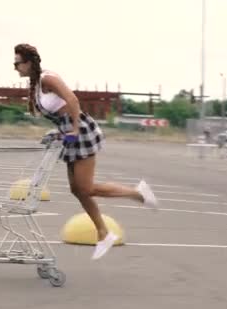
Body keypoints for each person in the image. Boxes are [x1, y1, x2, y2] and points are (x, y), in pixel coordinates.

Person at [13, 43, 159, 260]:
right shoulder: (36, 85)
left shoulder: (47, 78)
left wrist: (73, 128)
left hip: (79, 131)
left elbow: (72, 100)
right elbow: (58, 110)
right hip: (68, 134)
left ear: (28, 62)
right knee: (78, 190)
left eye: (17, 63)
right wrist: (57, 131)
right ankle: (103, 232)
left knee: (87, 187)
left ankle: (139, 194)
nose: (15, 68)